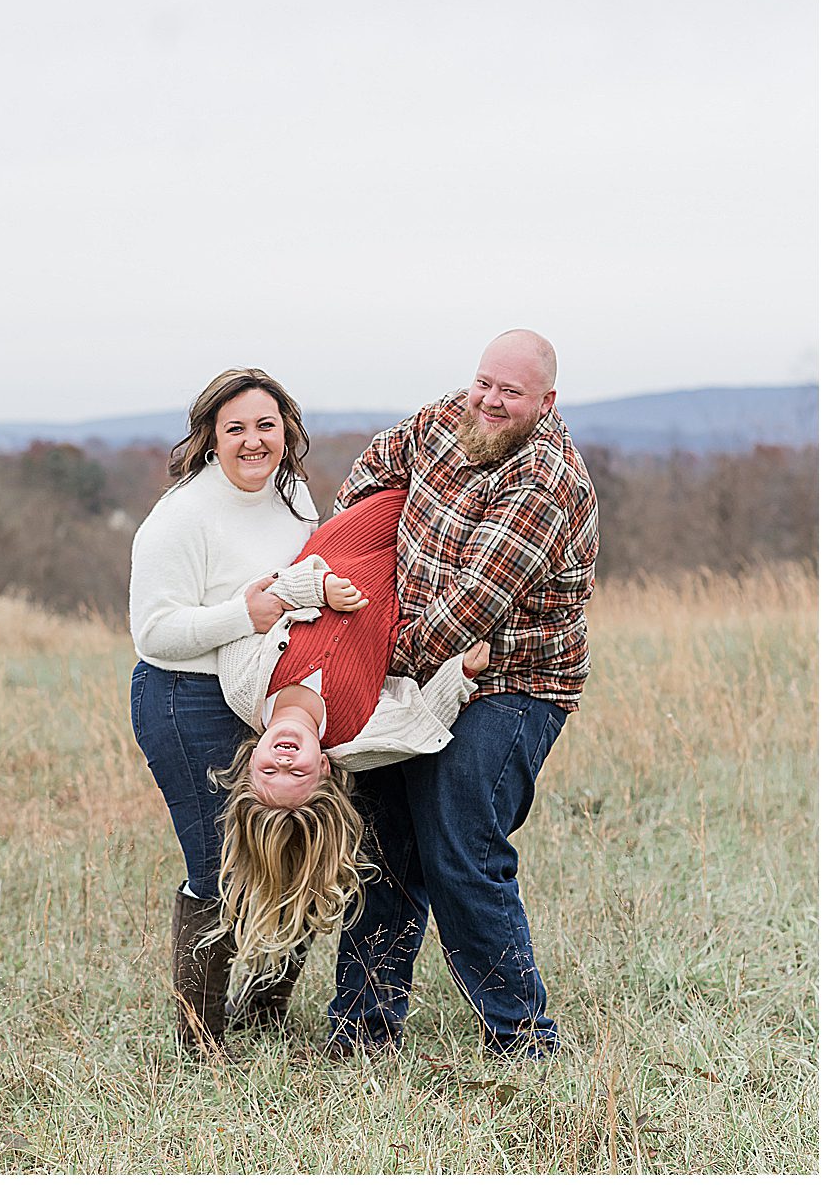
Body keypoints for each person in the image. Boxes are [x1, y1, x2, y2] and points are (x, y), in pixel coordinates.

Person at [323, 329, 598, 1059]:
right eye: (485, 382)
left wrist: (369, 649)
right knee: (381, 842)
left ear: (547, 401)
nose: (490, 399)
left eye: (511, 391)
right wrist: (357, 543)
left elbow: (470, 609)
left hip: (511, 682)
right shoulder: (448, 417)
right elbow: (381, 463)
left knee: (459, 845)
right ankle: (361, 1032)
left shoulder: (547, 480)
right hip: (415, 678)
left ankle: (521, 1038)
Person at [203, 487, 491, 1005]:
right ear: (327, 773)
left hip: (356, 530)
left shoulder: (243, 684)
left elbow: (259, 598)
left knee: (436, 464)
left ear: (250, 764)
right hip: (421, 565)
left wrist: (318, 587)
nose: (286, 760)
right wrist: (463, 672)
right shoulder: (358, 738)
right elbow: (420, 717)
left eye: (271, 773)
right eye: (298, 775)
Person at [128, 367, 323, 1053]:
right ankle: (199, 1037)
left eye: (265, 426)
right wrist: (247, 611)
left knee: (300, 851)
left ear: (286, 432)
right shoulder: (181, 516)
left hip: (270, 698)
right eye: (235, 428)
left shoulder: (295, 498)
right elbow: (152, 633)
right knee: (219, 865)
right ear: (212, 437)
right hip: (185, 699)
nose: (252, 442)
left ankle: (266, 1008)